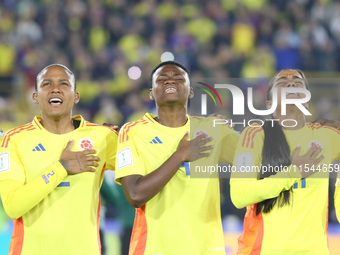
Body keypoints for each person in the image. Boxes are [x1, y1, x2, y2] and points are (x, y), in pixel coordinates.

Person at [115, 61, 240, 255]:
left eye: (179, 79)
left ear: (190, 91)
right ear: (151, 92)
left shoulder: (212, 129)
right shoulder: (132, 132)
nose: (170, 81)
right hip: (154, 248)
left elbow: (260, 160)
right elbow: (135, 195)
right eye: (162, 79)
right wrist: (180, 155)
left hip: (206, 250)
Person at [0, 64, 117, 255]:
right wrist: (61, 168)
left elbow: (142, 177)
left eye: (64, 83)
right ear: (35, 97)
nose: (55, 88)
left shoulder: (103, 137)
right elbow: (13, 206)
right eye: (47, 84)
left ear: (76, 96)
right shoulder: (14, 140)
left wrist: (129, 137)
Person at [230, 69, 340, 254]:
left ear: (306, 99)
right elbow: (239, 195)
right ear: (269, 103)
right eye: (282, 83)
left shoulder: (326, 136)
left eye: (297, 82)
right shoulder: (255, 135)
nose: (290, 83)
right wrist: (294, 172)